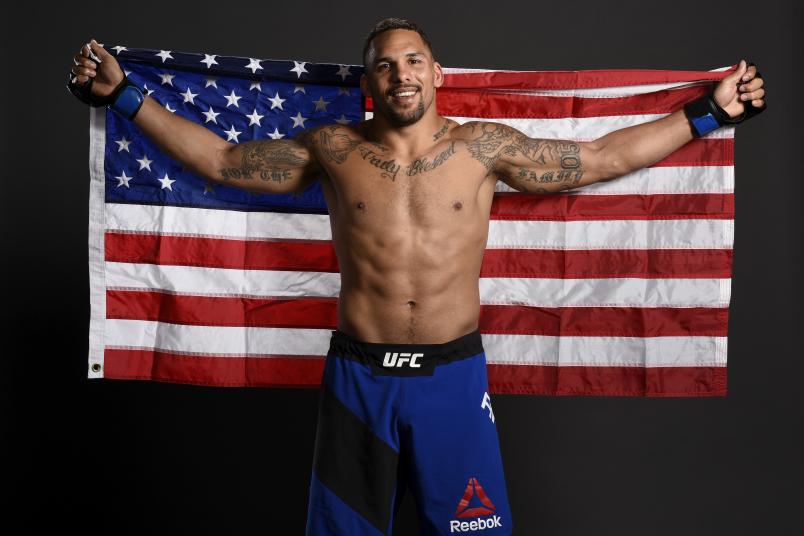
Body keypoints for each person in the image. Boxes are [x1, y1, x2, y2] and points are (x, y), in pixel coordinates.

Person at [68, 17, 766, 536]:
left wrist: (709, 112)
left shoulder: (482, 148)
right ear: (368, 82)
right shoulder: (334, 147)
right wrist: (126, 97)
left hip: (452, 379)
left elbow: (602, 158)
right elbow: (223, 161)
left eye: (412, 61)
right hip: (358, 380)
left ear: (436, 74)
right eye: (383, 66)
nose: (399, 74)